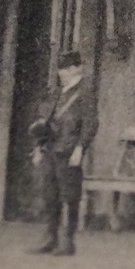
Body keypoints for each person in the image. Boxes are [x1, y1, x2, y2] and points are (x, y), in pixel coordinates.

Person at [28, 50, 97, 257]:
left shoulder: (85, 93)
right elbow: (46, 122)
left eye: (66, 68)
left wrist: (80, 149)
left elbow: (91, 123)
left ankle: (68, 241)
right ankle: (50, 238)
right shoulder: (57, 92)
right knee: (50, 195)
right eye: (60, 69)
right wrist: (39, 148)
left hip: (68, 151)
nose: (62, 72)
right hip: (51, 149)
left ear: (77, 68)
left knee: (70, 197)